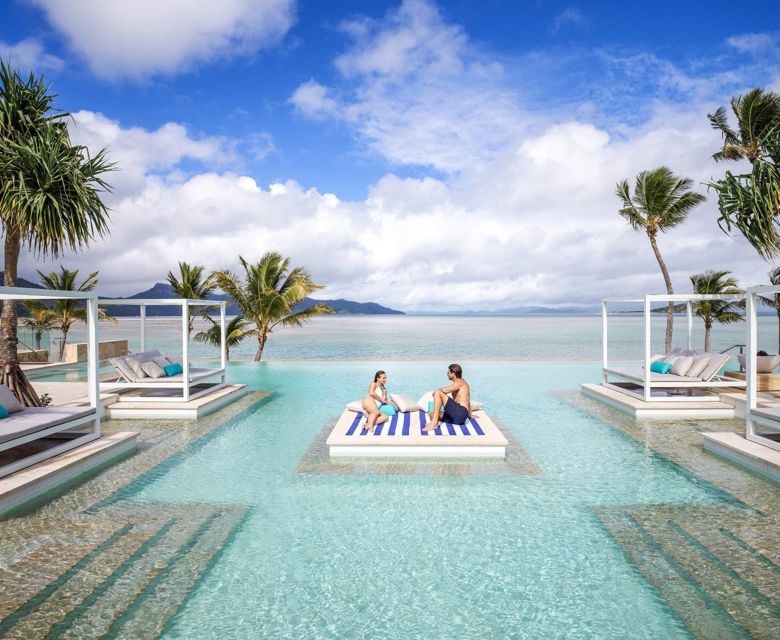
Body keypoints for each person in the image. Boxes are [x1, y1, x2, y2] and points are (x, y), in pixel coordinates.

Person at [424, 363, 471, 432]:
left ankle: (434, 423)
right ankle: (437, 422)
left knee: (438, 393)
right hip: (458, 417)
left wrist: (436, 393)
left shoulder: (459, 383)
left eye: (448, 372)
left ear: (453, 373)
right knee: (432, 413)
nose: (447, 374)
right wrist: (470, 414)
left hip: (460, 413)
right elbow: (468, 398)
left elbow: (438, 392)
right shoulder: (462, 382)